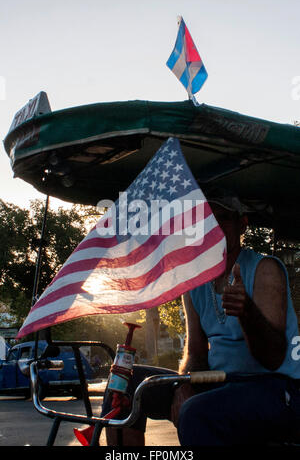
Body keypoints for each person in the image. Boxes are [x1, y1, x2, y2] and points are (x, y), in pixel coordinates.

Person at [102, 191, 300, 446]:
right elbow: (196, 352)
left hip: (276, 388)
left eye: (224, 219)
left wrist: (247, 312)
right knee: (125, 381)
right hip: (220, 383)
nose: (215, 228)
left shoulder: (265, 269)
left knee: (197, 412)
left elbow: (273, 358)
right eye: (208, 220)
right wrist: (181, 384)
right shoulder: (195, 279)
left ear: (242, 224)